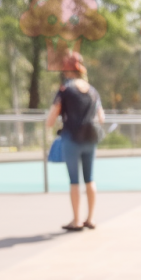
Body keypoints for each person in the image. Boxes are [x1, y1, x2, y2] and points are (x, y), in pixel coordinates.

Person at [45, 55, 104, 231]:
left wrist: (54, 124)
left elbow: (51, 118)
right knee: (90, 178)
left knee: (74, 180)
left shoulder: (65, 90)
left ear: (67, 70)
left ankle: (77, 220)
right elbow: (101, 117)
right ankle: (90, 218)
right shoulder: (93, 90)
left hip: (71, 138)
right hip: (90, 138)